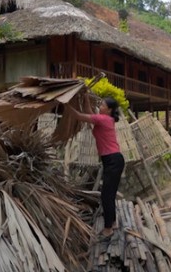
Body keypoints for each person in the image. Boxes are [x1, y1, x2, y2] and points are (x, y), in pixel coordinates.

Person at [65, 96, 125, 240]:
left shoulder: (103, 120)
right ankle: (113, 223)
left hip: (113, 160)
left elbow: (79, 116)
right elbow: (88, 112)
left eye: (102, 104)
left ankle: (108, 229)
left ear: (109, 110)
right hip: (112, 160)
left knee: (106, 195)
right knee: (109, 194)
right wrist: (84, 97)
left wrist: (64, 103)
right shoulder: (105, 119)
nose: (100, 105)